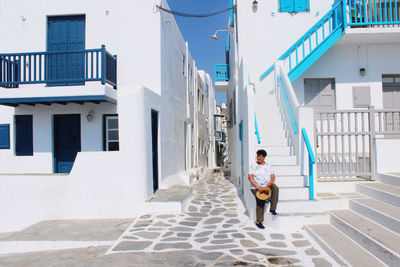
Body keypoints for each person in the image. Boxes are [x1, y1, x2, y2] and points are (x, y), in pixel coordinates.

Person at [248, 149, 279, 229]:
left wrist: (269, 184)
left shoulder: (268, 166)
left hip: (266, 185)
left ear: (264, 157)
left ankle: (272, 209)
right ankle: (259, 221)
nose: (258, 158)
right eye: (257, 156)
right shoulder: (253, 165)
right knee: (260, 199)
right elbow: (250, 178)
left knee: (275, 188)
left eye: (260, 156)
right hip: (255, 186)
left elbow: (273, 177)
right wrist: (258, 187)